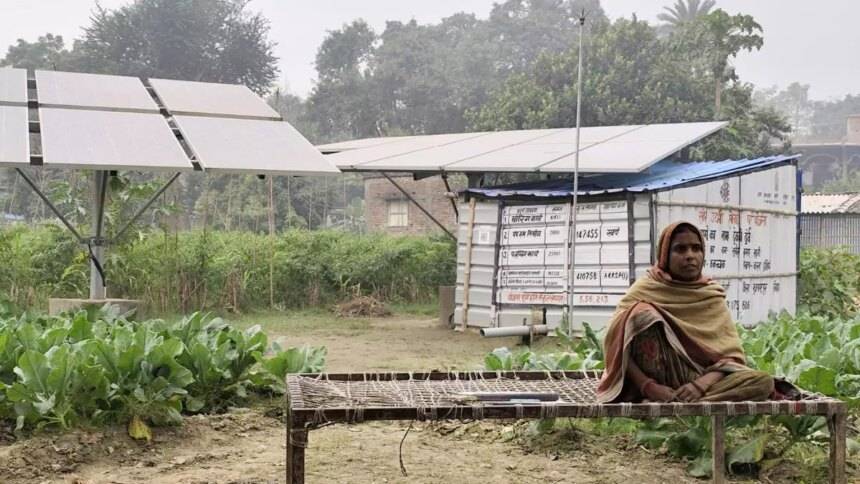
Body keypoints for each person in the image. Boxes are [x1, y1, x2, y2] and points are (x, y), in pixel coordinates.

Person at [596, 221, 775, 403]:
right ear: (665, 255)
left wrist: (700, 385)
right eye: (680, 249)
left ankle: (684, 400)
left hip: (703, 380)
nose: (690, 256)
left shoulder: (711, 294)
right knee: (642, 314)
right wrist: (648, 386)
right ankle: (668, 397)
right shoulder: (647, 288)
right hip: (656, 381)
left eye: (696, 248)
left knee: (763, 382)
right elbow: (614, 343)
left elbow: (731, 357)